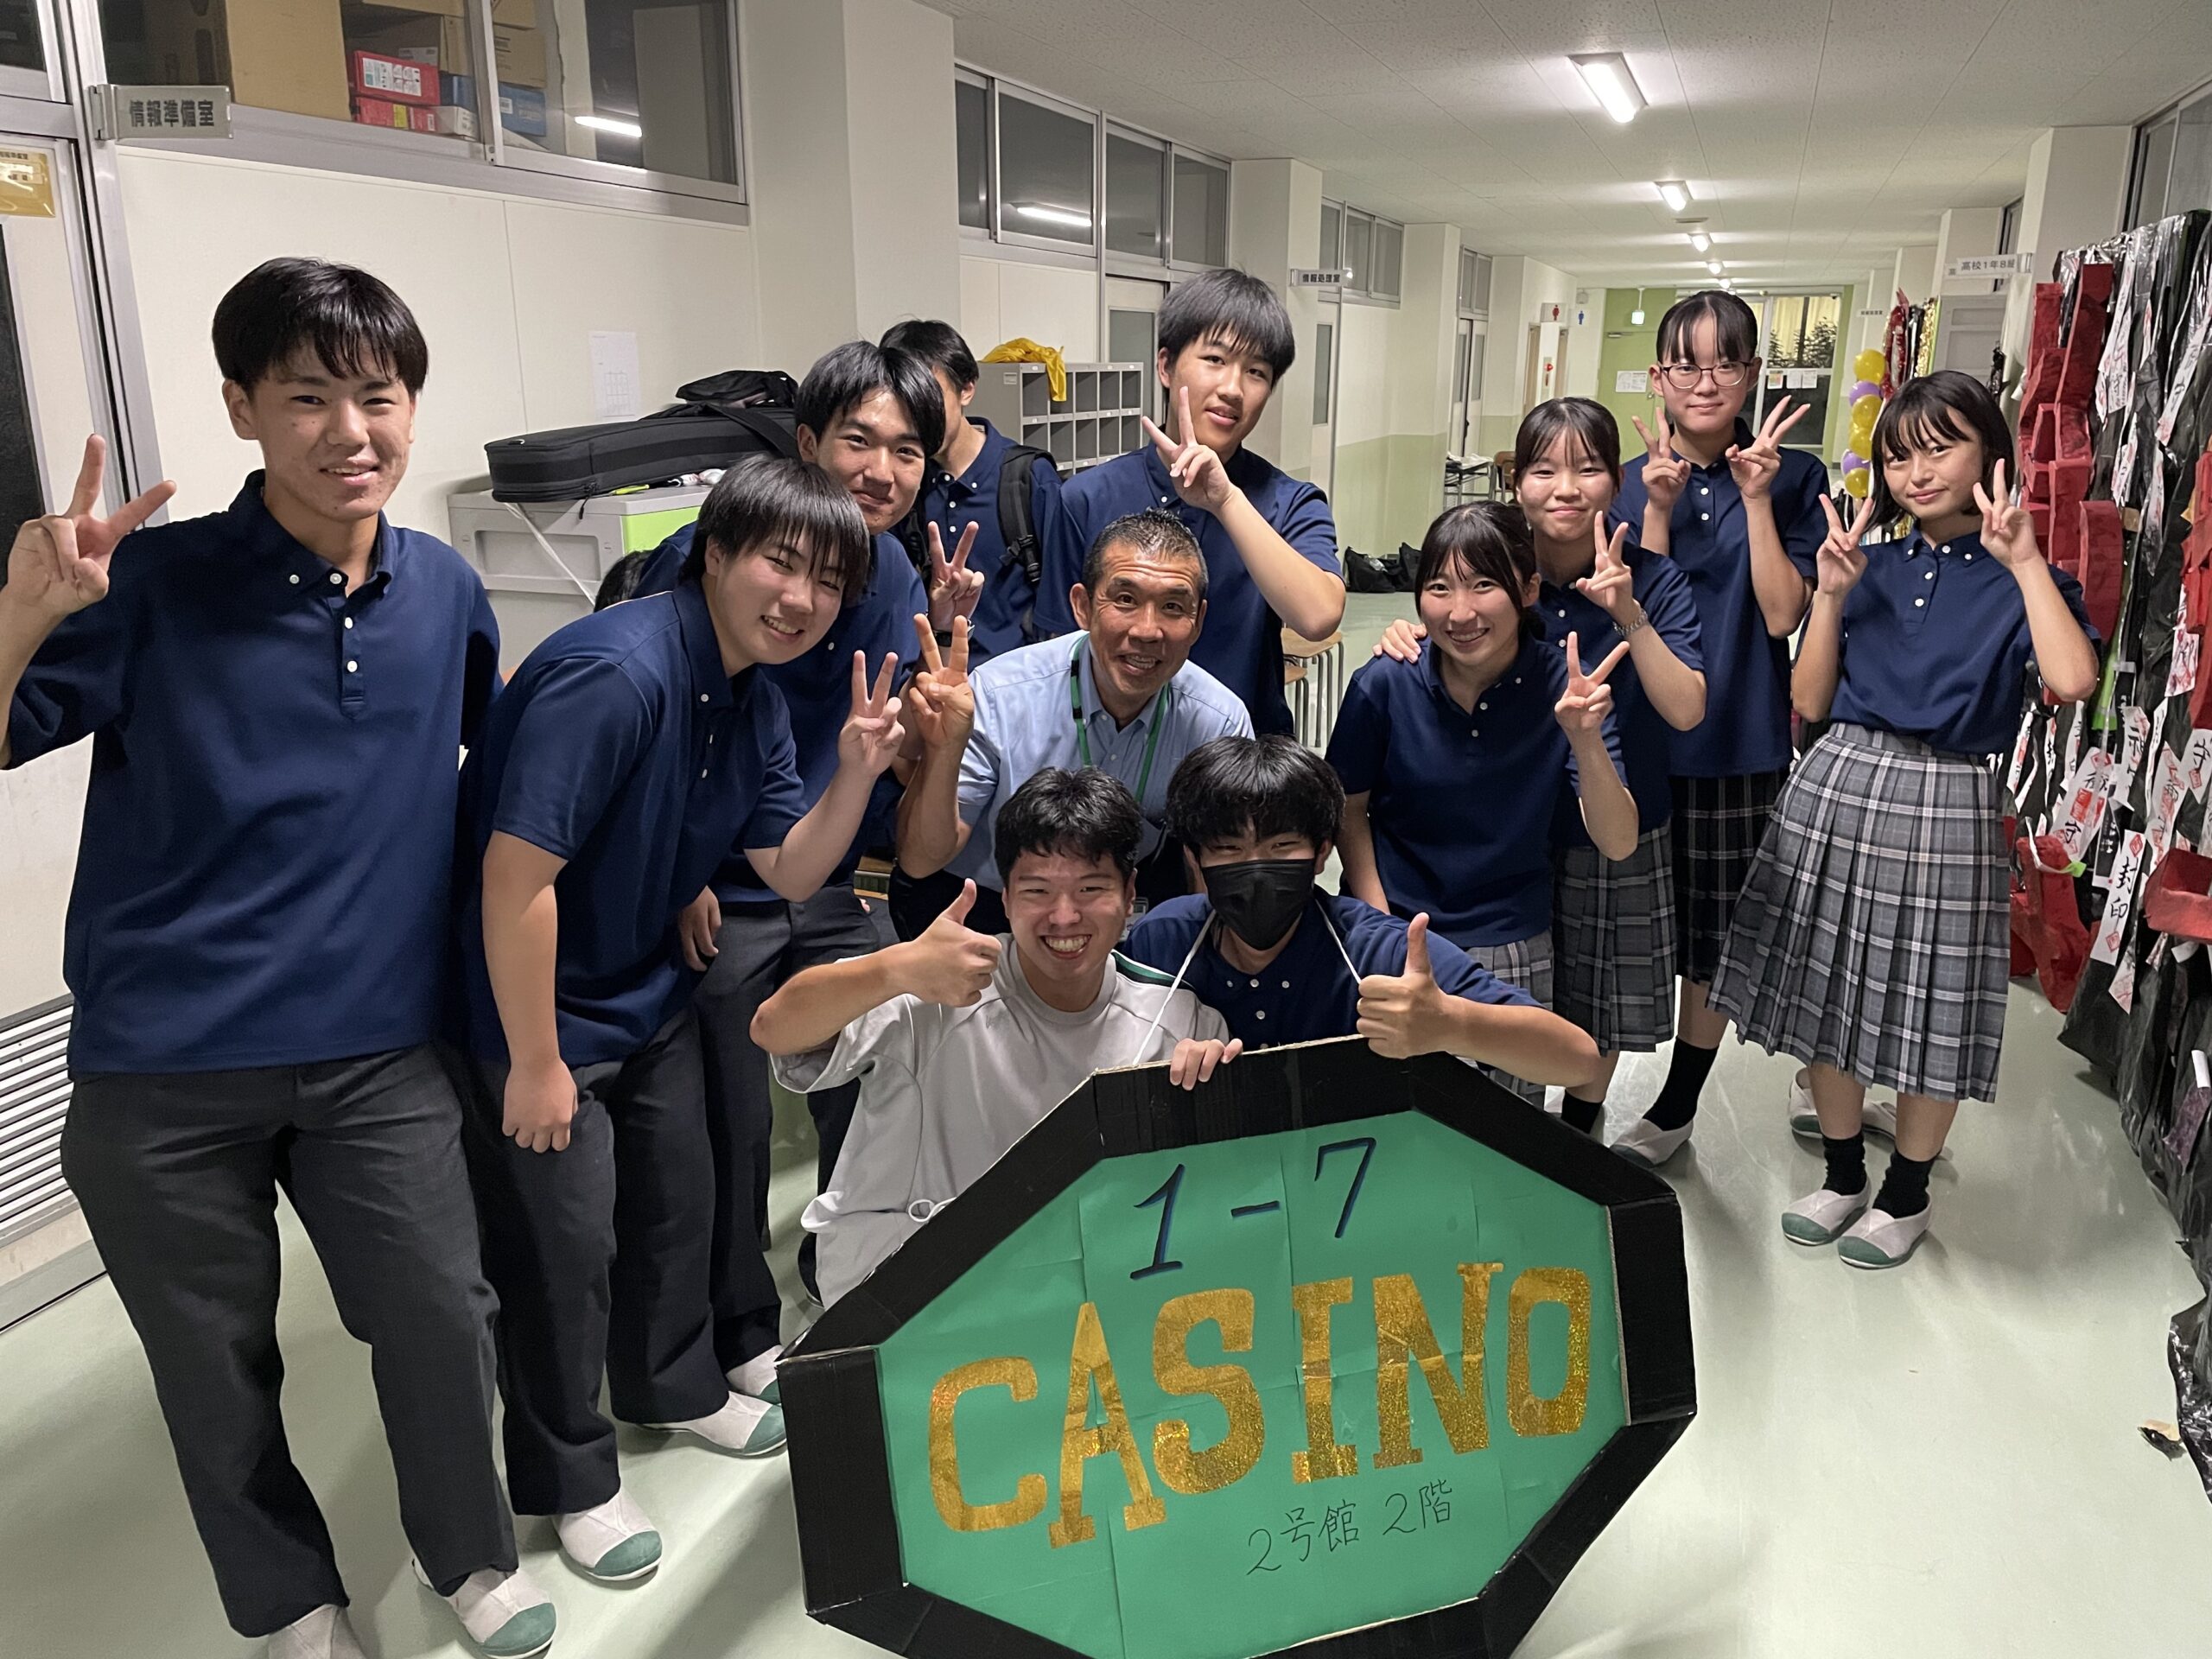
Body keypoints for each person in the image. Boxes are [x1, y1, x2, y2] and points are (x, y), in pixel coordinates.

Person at [0, 258, 554, 1659]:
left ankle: (468, 1554)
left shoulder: (447, 593)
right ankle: (289, 1601)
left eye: (378, 395)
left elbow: (493, 793)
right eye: (308, 397)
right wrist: (26, 614)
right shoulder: (151, 584)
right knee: (213, 1365)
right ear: (242, 407)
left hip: (379, 1052)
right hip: (162, 1069)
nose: (350, 431)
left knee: (441, 1313)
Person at [453, 457, 905, 1586]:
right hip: (535, 1012)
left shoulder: (753, 696)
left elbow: (788, 867)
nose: (801, 598)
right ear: (713, 553)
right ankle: (573, 1479)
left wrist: (855, 773)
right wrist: (536, 1060)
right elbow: (515, 880)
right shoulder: (617, 672)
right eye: (780, 563)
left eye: (828, 582)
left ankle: (673, 1386)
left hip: (643, 990)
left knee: (678, 1202)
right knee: (564, 1254)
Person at [1711, 371, 2097, 1268]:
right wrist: (1830, 594)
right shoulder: (1867, 563)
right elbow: (1810, 701)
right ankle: (1844, 1174)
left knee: (1932, 1004)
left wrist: (2025, 561)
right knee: (1826, 992)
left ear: (1990, 453)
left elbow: (2073, 679)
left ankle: (1907, 1194)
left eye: (1939, 449)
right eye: (1897, 457)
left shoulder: (2023, 575)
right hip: (1837, 783)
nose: (1915, 473)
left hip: (1948, 797)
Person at [628, 341, 943, 1366]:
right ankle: (739, 1325)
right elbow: (658, 730)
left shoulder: (890, 570)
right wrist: (679, 873)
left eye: (907, 451)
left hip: (822, 868)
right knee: (733, 1115)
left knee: (878, 1062)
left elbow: (881, 735)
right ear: (806, 443)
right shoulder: (708, 552)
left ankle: (845, 1277)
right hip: (720, 884)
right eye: (859, 440)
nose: (881, 471)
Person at [753, 768, 1236, 1306]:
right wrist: (892, 969)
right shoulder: (939, 982)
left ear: (1129, 897)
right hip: (901, 1294)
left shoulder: (1177, 1020)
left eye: (1090, 889)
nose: (1064, 916)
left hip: (1076, 1297)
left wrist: (1209, 1091)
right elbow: (775, 1030)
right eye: (1038, 891)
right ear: (1005, 899)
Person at [1372, 400, 1706, 1133]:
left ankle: (1576, 1137)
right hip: (1506, 826)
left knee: (1598, 1004)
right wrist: (1410, 628)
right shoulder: (1497, 570)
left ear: (1617, 480)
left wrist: (1628, 613)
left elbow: (1686, 709)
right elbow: (1450, 615)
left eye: (1588, 469)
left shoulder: (1653, 579)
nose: (1567, 488)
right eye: (1545, 470)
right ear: (1516, 480)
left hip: (1606, 819)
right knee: (1515, 1001)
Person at [1608, 289, 1830, 1166]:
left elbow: (1782, 615)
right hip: (1634, 741)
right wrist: (1656, 510)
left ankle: (1676, 1105)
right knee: (1620, 926)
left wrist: (1757, 498)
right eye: (1685, 364)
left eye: (1725, 363)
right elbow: (1640, 612)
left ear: (1751, 373)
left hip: (1738, 745)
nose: (1705, 383)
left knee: (1710, 944)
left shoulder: (1796, 477)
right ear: (1657, 376)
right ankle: (1582, 1095)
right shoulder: (1622, 482)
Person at [1334, 501, 1638, 1103]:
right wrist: (1379, 922)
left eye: (1483, 585)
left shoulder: (1566, 687)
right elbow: (1348, 808)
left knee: (1503, 1124)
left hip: (1509, 936)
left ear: (1528, 590)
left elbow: (1618, 840)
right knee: (1381, 1110)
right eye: (1439, 588)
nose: (1460, 612)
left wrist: (1584, 739)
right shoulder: (1386, 681)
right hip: (1391, 922)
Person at [1121, 736, 1600, 1085]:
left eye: (1282, 846)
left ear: (1322, 852)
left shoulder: (1378, 952)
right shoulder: (1163, 941)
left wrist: (1451, 1023)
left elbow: (1578, 1060)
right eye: (1228, 849)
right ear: (1194, 858)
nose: (1256, 867)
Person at [894, 508, 1252, 938]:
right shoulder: (1000, 694)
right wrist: (944, 749)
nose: (1147, 631)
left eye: (1173, 607)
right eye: (1125, 600)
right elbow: (919, 861)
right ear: (1082, 606)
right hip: (985, 905)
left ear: (1198, 622)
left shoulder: (1218, 721)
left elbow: (1215, 871)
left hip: (1121, 908)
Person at [1037, 268, 1344, 735]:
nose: (1233, 388)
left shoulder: (1288, 501)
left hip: (1240, 758)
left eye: (1256, 372)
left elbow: (1318, 616)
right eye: (1215, 359)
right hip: (1109, 753)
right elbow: (1061, 649)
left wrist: (1225, 500)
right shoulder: (1087, 497)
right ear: (1166, 366)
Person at [882, 318, 1065, 658]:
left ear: (966, 388)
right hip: (931, 676)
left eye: (930, 398)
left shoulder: (1027, 477)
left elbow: (1062, 603)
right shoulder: (903, 480)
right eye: (905, 402)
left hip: (1015, 679)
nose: (919, 418)